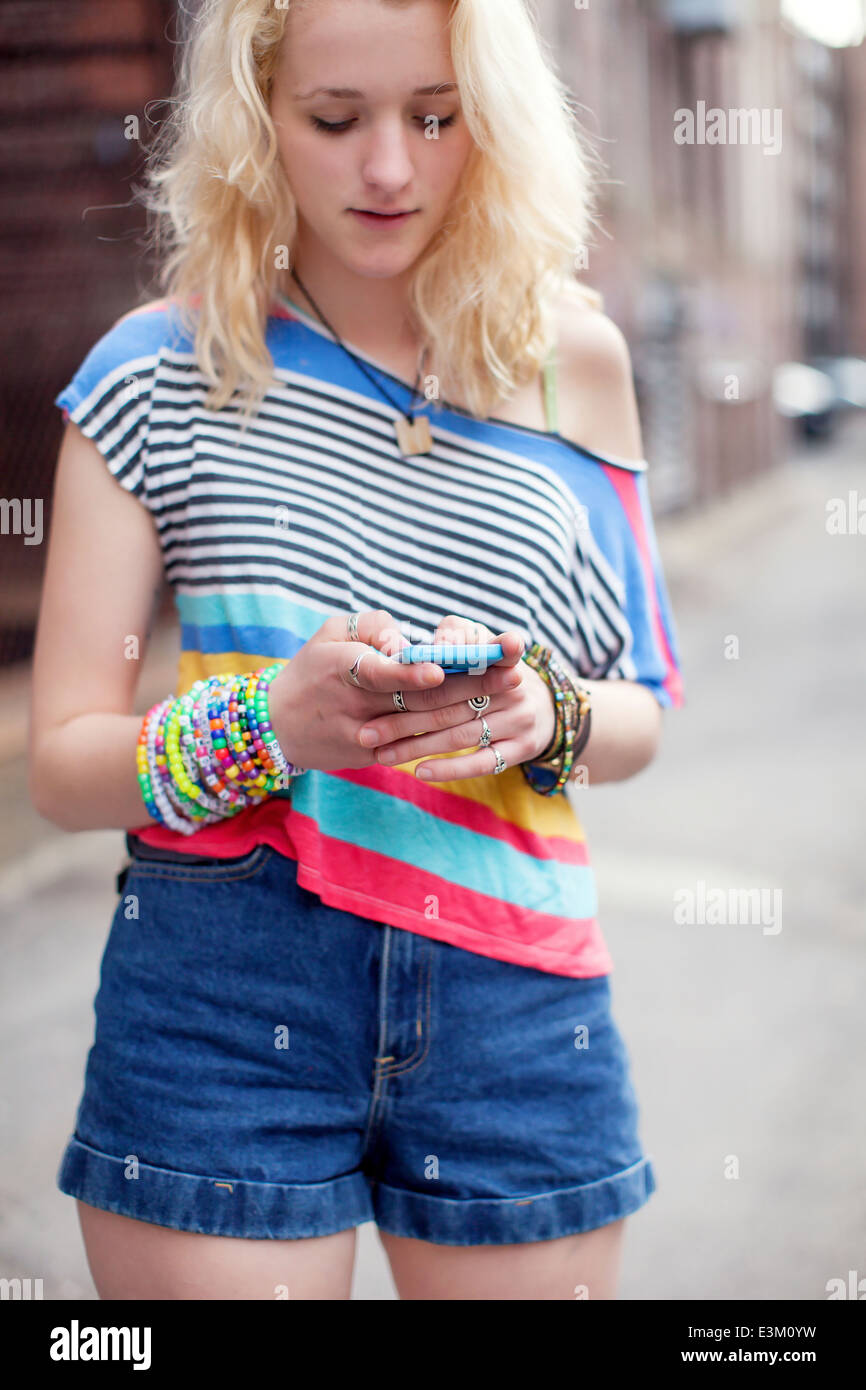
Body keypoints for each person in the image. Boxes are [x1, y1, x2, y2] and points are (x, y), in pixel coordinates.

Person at [29, 0, 684, 1300]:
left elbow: (641, 709)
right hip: (222, 989)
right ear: (258, 120)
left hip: (513, 990)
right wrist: (269, 723)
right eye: (335, 120)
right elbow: (59, 763)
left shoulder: (574, 365)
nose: (387, 167)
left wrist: (538, 709)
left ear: (491, 122)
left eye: (435, 118)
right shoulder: (159, 367)